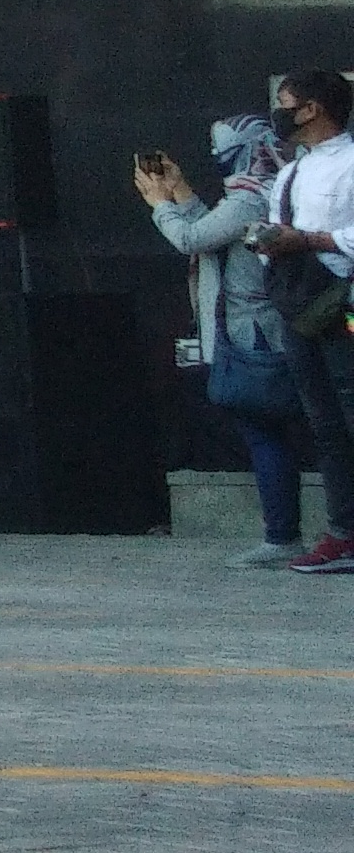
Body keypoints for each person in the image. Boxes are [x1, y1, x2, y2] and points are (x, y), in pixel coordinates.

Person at [144, 117, 347, 568]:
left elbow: (191, 238)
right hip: (272, 324)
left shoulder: (251, 198)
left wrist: (160, 204)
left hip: (260, 329)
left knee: (267, 430)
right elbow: (217, 235)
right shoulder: (275, 188)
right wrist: (182, 194)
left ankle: (284, 535)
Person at [242, 69, 354, 571]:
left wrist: (309, 241)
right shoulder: (292, 171)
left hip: (345, 305)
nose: (280, 112)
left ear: (312, 108)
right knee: (325, 422)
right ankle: (343, 529)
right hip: (299, 306)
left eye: (286, 103)